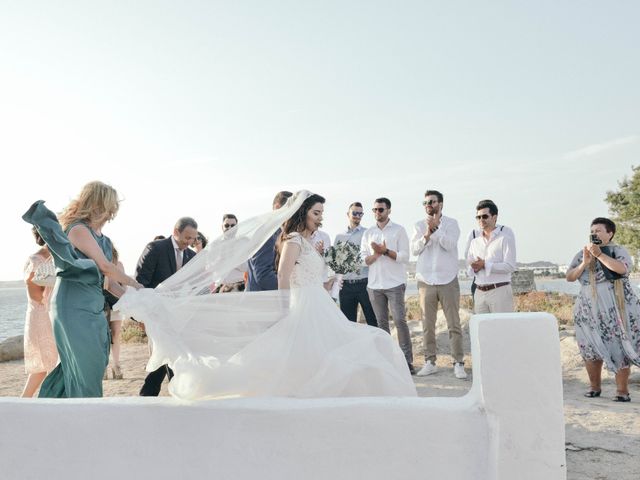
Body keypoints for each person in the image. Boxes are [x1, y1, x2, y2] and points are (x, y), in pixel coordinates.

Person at [116, 191, 417, 399]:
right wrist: (286, 307)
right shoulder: (294, 239)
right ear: (302, 213)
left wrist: (330, 272)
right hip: (303, 306)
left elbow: (315, 272)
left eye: (322, 213)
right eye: (316, 212)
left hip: (318, 303)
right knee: (355, 345)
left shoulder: (311, 241)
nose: (320, 218)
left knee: (342, 349)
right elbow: (284, 275)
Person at [22, 181, 142, 398]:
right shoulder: (78, 229)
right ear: (99, 203)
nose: (113, 211)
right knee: (85, 366)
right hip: (73, 307)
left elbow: (109, 282)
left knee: (94, 364)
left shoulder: (105, 240)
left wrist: (137, 299)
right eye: (110, 205)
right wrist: (135, 283)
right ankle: (86, 417)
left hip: (93, 307)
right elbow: (106, 267)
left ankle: (56, 413)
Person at [566, 217, 640, 402]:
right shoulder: (582, 253)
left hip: (616, 308)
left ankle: (622, 392)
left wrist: (599, 255)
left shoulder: (618, 250)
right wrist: (585, 262)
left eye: (599, 230)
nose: (594, 233)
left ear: (610, 233)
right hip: (588, 309)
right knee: (589, 348)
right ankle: (594, 387)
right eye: (592, 230)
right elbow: (569, 276)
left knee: (619, 346)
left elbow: (622, 269)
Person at [135, 217, 198, 396]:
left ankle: (153, 393)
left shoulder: (192, 257)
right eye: (187, 237)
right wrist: (142, 314)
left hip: (179, 317)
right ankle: (157, 393)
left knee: (170, 355)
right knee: (166, 353)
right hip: (156, 314)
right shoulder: (155, 249)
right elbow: (141, 282)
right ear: (176, 232)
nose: (190, 242)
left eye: (193, 239)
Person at [411, 190, 467, 379]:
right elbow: (415, 249)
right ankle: (430, 362)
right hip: (426, 280)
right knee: (427, 324)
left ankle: (458, 363)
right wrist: (427, 234)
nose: (428, 205)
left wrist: (437, 229)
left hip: (448, 279)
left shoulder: (452, 224)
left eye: (432, 201)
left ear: (440, 204)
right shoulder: (419, 225)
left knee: (454, 324)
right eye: (425, 202)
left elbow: (450, 245)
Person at [361, 197, 414, 374]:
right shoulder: (368, 233)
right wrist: (377, 254)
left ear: (389, 210)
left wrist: (385, 251)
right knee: (381, 324)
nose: (377, 213)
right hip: (375, 285)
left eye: (381, 210)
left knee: (400, 321)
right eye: (375, 210)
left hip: (395, 283)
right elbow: (363, 260)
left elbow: (405, 256)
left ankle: (407, 362)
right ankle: (387, 362)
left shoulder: (399, 230)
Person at [21, 227, 58, 397]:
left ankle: (25, 400)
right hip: (42, 315)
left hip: (48, 313)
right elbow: (36, 295)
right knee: (45, 364)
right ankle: (26, 400)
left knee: (45, 365)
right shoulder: (38, 260)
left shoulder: (54, 258)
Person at [466, 199, 517, 313]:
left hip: (499, 291)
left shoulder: (505, 238)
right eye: (478, 217)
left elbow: (510, 266)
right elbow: (469, 270)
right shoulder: (475, 242)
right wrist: (475, 267)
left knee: (502, 328)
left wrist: (485, 264)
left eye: (484, 216)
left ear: (494, 217)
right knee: (482, 329)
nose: (481, 220)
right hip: (479, 292)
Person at [334, 202, 377, 326]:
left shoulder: (368, 233)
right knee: (348, 324)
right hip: (346, 286)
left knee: (373, 321)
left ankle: (377, 346)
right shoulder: (339, 237)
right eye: (355, 213)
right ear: (348, 214)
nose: (358, 216)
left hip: (365, 283)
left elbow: (371, 257)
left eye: (360, 213)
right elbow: (337, 263)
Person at [246, 191, 293, 291]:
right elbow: (263, 275)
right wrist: (289, 290)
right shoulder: (266, 233)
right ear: (277, 207)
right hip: (262, 300)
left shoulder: (281, 233)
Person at [103, 245, 126, 380]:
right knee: (103, 337)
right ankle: (104, 366)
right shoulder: (98, 264)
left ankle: (116, 365)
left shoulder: (119, 265)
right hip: (102, 304)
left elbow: (124, 285)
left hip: (116, 304)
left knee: (116, 334)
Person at [214, 214, 247, 293]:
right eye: (226, 225)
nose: (229, 228)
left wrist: (232, 259)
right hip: (220, 287)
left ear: (237, 227)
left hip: (239, 287)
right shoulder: (214, 245)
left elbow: (247, 268)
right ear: (222, 227)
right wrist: (219, 260)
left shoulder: (244, 243)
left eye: (233, 225)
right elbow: (209, 268)